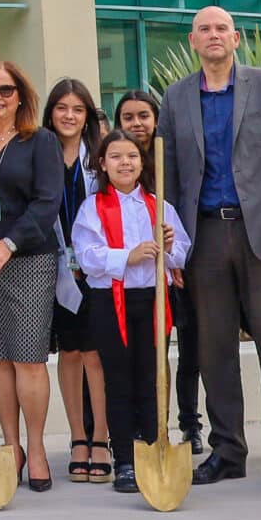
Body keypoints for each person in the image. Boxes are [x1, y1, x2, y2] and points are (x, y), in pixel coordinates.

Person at [160, 6, 261, 489]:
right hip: (202, 236)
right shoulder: (176, 97)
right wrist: (174, 248)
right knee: (213, 347)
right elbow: (169, 175)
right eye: (204, 29)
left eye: (221, 28)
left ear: (236, 38)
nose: (213, 35)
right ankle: (228, 450)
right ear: (193, 41)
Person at [73, 126, 188, 494]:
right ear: (103, 164)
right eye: (116, 156)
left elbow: (182, 254)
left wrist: (168, 247)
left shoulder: (160, 204)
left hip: (152, 298)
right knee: (118, 380)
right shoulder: (92, 207)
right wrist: (129, 255)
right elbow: (87, 257)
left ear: (143, 163)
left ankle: (154, 450)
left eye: (132, 156)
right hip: (112, 302)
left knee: (152, 377)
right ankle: (123, 458)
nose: (125, 162)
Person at [0, 60, 61, 491]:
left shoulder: (40, 141)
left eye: (6, 90)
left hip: (28, 257)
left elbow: (47, 203)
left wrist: (10, 243)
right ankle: (11, 447)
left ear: (20, 96)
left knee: (29, 358)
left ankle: (37, 447)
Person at [112, 89, 200, 449]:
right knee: (146, 355)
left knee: (190, 348)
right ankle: (145, 427)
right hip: (139, 275)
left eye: (143, 116)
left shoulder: (171, 157)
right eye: (128, 117)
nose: (137, 123)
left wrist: (175, 253)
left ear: (157, 119)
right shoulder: (117, 162)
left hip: (178, 261)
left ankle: (189, 422)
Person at [46, 80, 106, 482]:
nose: (69, 115)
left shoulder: (100, 156)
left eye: (78, 109)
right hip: (52, 262)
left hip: (96, 265)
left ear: (87, 115)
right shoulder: (39, 152)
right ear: (51, 112)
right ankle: (77, 437)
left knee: (95, 354)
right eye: (62, 108)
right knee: (69, 351)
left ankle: (101, 435)